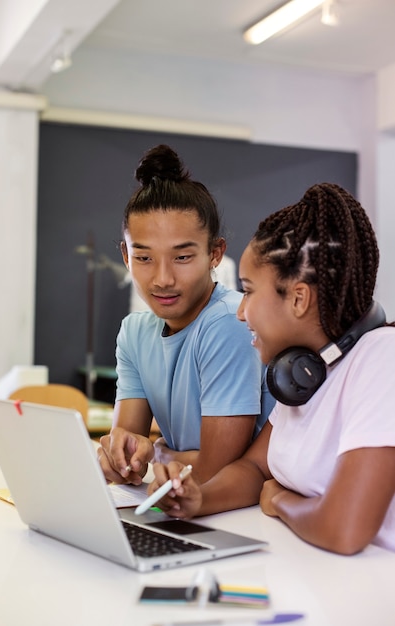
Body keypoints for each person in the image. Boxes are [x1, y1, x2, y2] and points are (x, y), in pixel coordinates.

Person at [149, 182, 395, 555]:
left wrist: (279, 500)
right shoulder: (304, 372)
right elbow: (252, 470)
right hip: (313, 574)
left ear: (298, 298)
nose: (241, 311)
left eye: (248, 290)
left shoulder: (381, 359)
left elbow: (344, 531)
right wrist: (198, 498)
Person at [98, 144, 273, 485]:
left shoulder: (229, 321)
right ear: (125, 256)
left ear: (215, 254)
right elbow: (127, 461)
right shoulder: (134, 332)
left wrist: (159, 452)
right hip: (179, 504)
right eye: (144, 258)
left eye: (182, 257)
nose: (162, 279)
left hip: (238, 513)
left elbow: (214, 472)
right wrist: (120, 456)